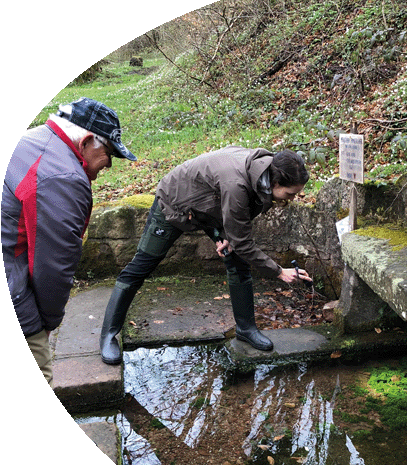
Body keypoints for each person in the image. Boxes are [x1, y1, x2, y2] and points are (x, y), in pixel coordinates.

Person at [100, 146, 312, 364]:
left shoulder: (266, 170)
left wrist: (230, 234)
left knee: (237, 261)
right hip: (175, 203)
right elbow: (244, 240)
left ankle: (246, 329)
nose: (293, 198)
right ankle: (108, 335)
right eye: (291, 193)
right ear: (276, 183)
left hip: (211, 206)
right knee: (141, 266)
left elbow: (243, 213)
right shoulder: (236, 183)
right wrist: (279, 272)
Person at [2, 97, 137, 386]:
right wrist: (45, 325)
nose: (109, 165)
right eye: (110, 153)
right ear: (87, 141)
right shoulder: (62, 177)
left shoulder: (32, 140)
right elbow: (53, 268)